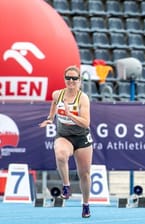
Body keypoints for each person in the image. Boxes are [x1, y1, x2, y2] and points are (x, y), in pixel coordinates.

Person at [39, 65, 93, 218]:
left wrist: (70, 115)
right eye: (68, 78)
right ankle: (66, 186)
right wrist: (50, 118)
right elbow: (54, 104)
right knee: (61, 154)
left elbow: (85, 123)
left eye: (74, 78)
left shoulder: (82, 98)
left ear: (79, 81)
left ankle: (86, 204)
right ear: (64, 79)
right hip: (64, 136)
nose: (71, 81)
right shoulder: (58, 94)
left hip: (82, 138)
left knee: (85, 174)